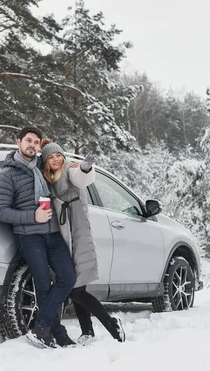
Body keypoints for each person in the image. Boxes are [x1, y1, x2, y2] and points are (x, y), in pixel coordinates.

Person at [0, 126, 77, 349]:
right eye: (28, 140)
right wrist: (33, 216)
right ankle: (56, 332)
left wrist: (77, 167)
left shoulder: (42, 167)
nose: (32, 145)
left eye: (36, 142)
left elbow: (60, 166)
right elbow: (0, 211)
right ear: (18, 142)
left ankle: (42, 327)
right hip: (29, 236)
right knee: (42, 285)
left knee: (68, 277)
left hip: (53, 234)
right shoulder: (7, 175)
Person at [40, 139, 126, 344]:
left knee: (75, 288)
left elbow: (80, 178)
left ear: (63, 156)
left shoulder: (70, 168)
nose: (55, 159)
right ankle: (87, 331)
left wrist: (86, 168)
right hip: (63, 232)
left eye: (58, 155)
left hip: (78, 230)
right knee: (76, 285)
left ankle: (111, 323)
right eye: (50, 157)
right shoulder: (48, 176)